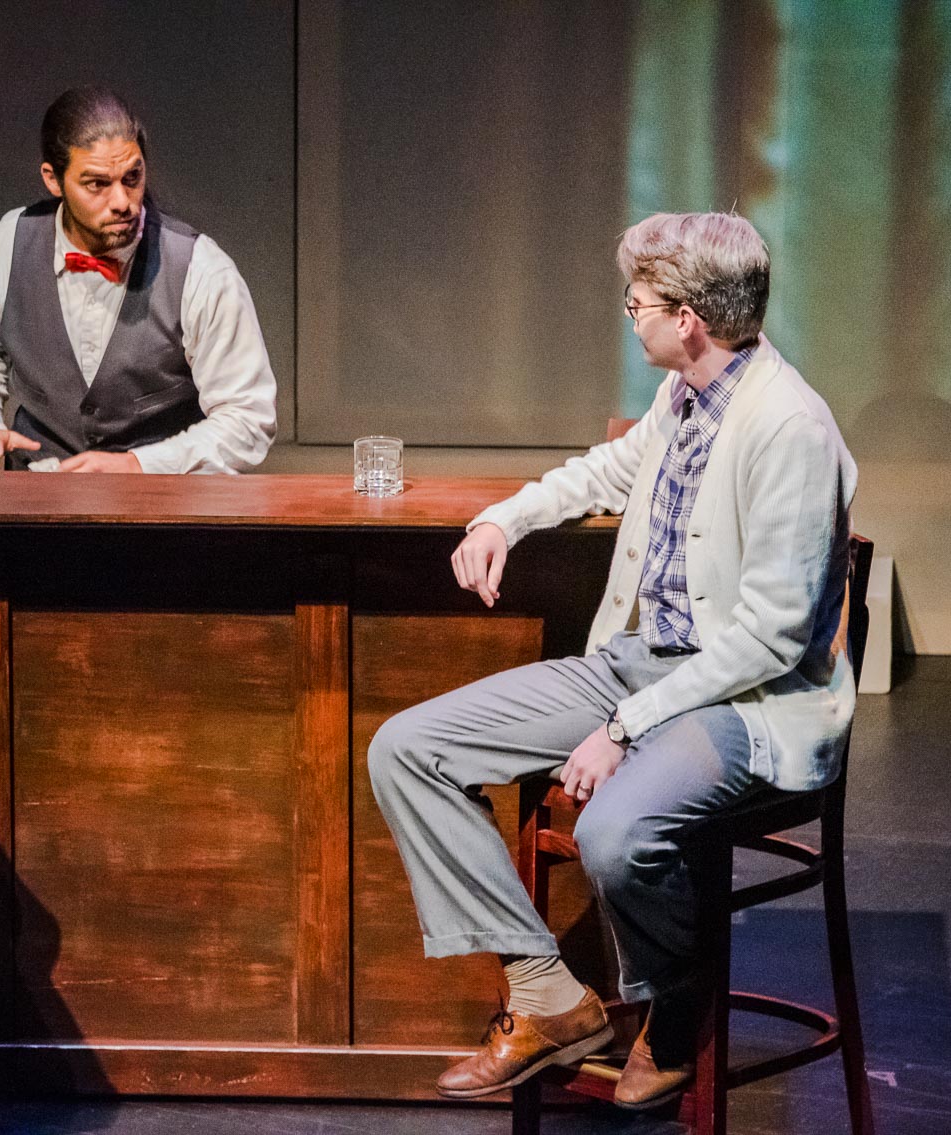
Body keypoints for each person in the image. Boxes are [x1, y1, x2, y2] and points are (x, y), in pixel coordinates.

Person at [367, 212, 857, 1109]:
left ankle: (675, 1012)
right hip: (641, 661)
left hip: (748, 700)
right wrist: (501, 519)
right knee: (408, 748)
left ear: (688, 320)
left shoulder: (788, 428)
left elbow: (773, 639)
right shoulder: (685, 397)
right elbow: (602, 472)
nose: (630, 317)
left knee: (614, 832)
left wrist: (624, 728)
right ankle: (549, 995)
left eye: (638, 305)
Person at [0, 85, 277, 473]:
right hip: (35, 501)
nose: (122, 201)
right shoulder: (4, 246)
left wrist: (139, 465)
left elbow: (248, 417)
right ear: (53, 179)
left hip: (162, 512)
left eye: (132, 177)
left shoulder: (200, 269)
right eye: (97, 184)